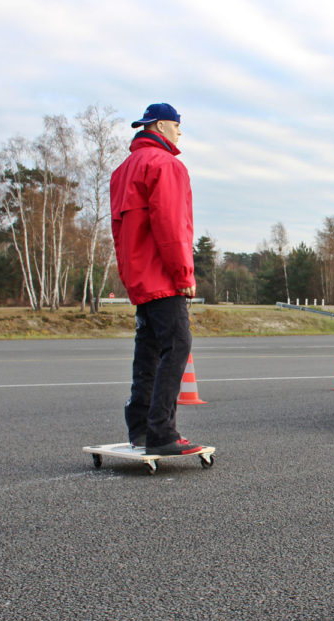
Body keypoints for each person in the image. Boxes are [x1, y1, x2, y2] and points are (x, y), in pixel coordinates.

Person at [109, 102, 203, 456]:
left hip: (138, 278)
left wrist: (130, 276)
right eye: (178, 126)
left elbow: (120, 232)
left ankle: (139, 428)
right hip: (163, 277)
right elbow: (172, 226)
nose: (180, 133)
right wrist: (184, 275)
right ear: (163, 125)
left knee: (147, 352)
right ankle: (162, 431)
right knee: (177, 346)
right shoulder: (167, 165)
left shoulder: (122, 170)